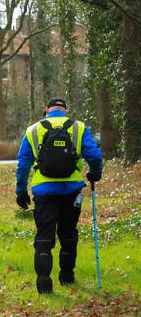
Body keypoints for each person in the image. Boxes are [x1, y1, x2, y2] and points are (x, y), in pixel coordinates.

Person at [16, 98, 102, 294]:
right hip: (71, 191)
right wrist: (95, 173)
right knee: (68, 234)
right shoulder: (78, 128)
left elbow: (23, 164)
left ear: (46, 111)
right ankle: (67, 278)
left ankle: (44, 284)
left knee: (44, 236)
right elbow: (95, 156)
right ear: (66, 111)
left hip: (44, 191)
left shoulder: (33, 130)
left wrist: (20, 191)